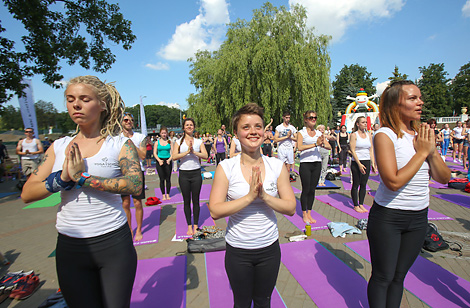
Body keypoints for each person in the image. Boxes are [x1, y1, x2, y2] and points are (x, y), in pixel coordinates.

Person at [20, 75, 141, 307]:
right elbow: (27, 193)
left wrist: (83, 178)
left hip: (113, 244)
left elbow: (134, 184)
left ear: (102, 104)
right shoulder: (59, 146)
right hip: (70, 247)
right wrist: (63, 178)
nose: (76, 104)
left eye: (85, 99)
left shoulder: (118, 144)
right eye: (70, 99)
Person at [368, 80, 450, 308]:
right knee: (383, 277)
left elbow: (444, 178)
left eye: (420, 97)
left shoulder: (421, 136)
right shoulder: (385, 135)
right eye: (413, 98)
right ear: (396, 103)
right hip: (388, 218)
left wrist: (430, 152)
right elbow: (393, 181)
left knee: (399, 277)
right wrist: (422, 153)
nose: (420, 102)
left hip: (418, 218)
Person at [208, 103, 295, 308]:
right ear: (236, 134)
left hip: (269, 249)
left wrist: (264, 196)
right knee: (242, 302)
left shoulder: (276, 166)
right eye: (246, 127)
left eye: (258, 126)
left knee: (264, 301)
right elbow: (215, 210)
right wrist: (248, 197)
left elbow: (290, 207)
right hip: (238, 250)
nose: (253, 132)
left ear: (265, 132)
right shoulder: (226, 167)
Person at [172, 118, 208, 235]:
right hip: (184, 174)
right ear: (183, 127)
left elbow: (206, 156)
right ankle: (189, 225)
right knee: (186, 201)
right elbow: (174, 156)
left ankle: (196, 225)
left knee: (196, 200)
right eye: (187, 125)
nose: (189, 127)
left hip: (196, 173)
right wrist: (187, 152)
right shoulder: (178, 142)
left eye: (191, 125)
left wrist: (194, 152)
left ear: (194, 127)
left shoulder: (198, 142)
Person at [297, 111, 329, 224]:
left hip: (317, 163)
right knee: (306, 189)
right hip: (305, 163)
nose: (313, 119)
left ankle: (309, 213)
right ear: (305, 119)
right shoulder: (301, 133)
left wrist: (323, 143)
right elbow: (299, 147)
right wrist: (315, 144)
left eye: (315, 117)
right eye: (311, 118)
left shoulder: (318, 133)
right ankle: (304, 213)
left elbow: (328, 146)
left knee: (312, 189)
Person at [121, 112, 147, 242]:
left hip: (137, 173)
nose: (128, 122)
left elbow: (142, 155)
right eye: (126, 120)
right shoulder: (117, 137)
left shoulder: (140, 137)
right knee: (125, 203)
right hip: (123, 174)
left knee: (137, 203)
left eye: (130, 120)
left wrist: (129, 142)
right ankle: (129, 229)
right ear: (121, 122)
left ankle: (139, 230)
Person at [349, 116, 376, 213]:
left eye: (366, 122)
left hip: (366, 160)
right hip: (356, 162)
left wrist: (373, 163)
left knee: (363, 184)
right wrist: (359, 164)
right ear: (358, 124)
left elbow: (371, 149)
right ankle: (356, 205)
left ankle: (361, 203)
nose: (365, 124)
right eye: (363, 122)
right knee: (356, 183)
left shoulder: (369, 135)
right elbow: (352, 150)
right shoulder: (354, 135)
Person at [154, 126, 173, 200]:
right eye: (162, 133)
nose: (164, 134)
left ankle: (168, 194)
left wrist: (169, 160)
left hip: (168, 160)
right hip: (160, 161)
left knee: (168, 178)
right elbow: (155, 153)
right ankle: (163, 194)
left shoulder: (169, 142)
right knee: (162, 179)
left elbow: (173, 152)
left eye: (165, 133)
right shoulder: (157, 142)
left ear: (167, 134)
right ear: (160, 134)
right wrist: (159, 160)